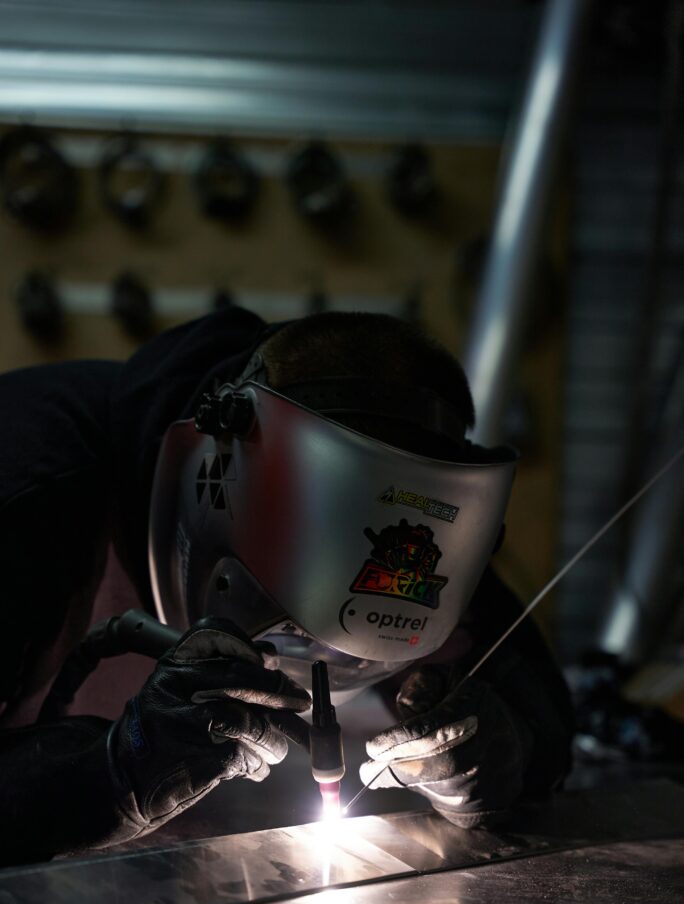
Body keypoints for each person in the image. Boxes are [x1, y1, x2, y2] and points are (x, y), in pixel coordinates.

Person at [0, 307, 573, 867]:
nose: (323, 654)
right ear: (219, 490)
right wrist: (111, 771)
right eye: (291, 620)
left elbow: (542, 725)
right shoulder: (30, 491)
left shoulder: (419, 530)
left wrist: (501, 752)